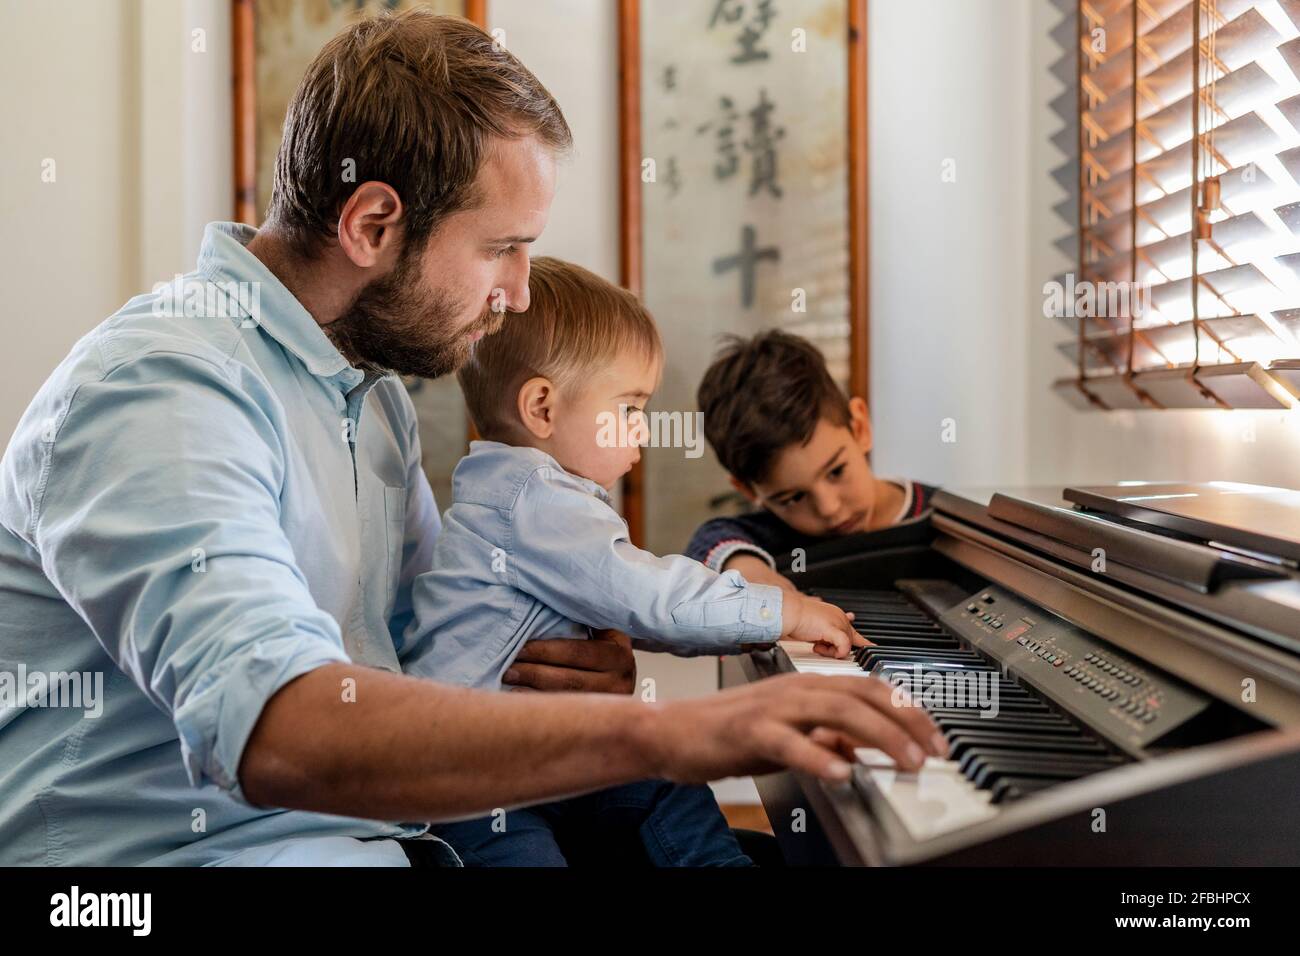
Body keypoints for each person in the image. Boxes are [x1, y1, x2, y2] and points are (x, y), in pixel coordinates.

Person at [0, 11, 944, 866]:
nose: (522, 292)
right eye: (501, 248)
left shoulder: (370, 400)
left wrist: (562, 676)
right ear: (373, 223)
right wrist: (673, 732)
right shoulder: (162, 391)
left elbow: (421, 655)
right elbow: (280, 728)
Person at [404, 258, 864, 865]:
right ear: (542, 408)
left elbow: (643, 610)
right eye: (629, 410)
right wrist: (786, 612)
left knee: (664, 776)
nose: (643, 433)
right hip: (476, 781)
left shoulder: (535, 496)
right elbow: (656, 602)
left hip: (551, 756)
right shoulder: (532, 502)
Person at [686, 330, 939, 592]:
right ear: (749, 491)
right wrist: (742, 566)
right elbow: (710, 539)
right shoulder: (771, 537)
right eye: (793, 498)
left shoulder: (945, 519)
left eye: (836, 471)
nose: (829, 508)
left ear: (860, 428)